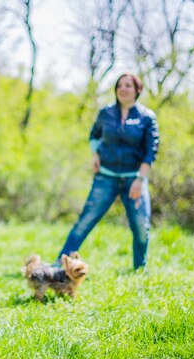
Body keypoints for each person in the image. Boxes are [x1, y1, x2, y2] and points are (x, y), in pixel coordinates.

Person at [56, 73, 160, 270]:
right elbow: (94, 135)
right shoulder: (106, 113)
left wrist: (140, 179)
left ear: (137, 90)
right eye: (119, 85)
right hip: (106, 177)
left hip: (134, 180)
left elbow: (151, 151)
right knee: (84, 221)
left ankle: (139, 269)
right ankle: (60, 264)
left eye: (128, 85)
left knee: (141, 227)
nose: (123, 89)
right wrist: (95, 154)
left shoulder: (147, 118)